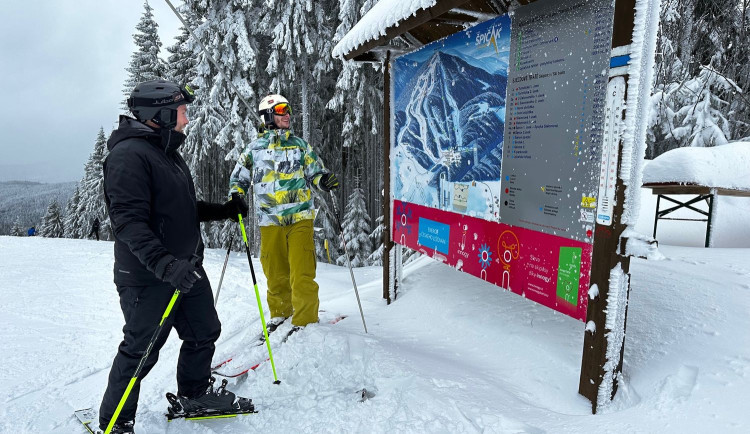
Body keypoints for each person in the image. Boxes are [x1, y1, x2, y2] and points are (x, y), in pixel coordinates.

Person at [98, 79, 251, 433]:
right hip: (149, 276)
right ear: (160, 115)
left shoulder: (166, 152)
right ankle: (115, 422)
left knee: (204, 330)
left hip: (186, 269)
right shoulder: (128, 157)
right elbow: (129, 223)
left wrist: (223, 211)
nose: (186, 119)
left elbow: (180, 209)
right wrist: (165, 265)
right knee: (141, 350)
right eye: (182, 112)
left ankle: (195, 393)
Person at [228, 94, 339, 333]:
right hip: (269, 220)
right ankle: (280, 314)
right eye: (281, 110)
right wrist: (236, 196)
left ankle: (305, 320)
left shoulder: (299, 145)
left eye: (288, 109)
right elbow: (238, 178)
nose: (287, 114)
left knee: (302, 273)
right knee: (275, 272)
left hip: (299, 217)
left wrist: (324, 181)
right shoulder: (254, 150)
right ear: (268, 115)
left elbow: (315, 173)